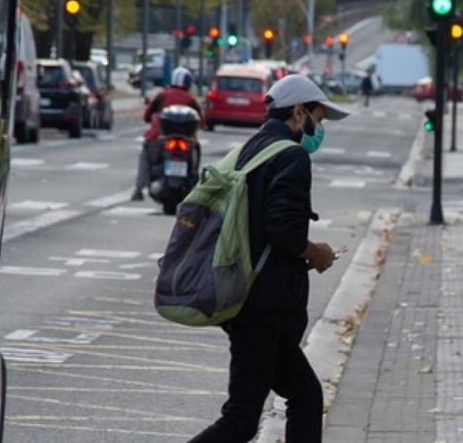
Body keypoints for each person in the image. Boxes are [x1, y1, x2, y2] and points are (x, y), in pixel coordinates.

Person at [187, 74, 350, 443]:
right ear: (298, 112)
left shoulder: (252, 147)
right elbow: (282, 231)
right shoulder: (290, 155)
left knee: (304, 395)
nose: (319, 128)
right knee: (241, 419)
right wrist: (315, 252)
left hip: (247, 297)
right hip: (264, 306)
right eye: (318, 118)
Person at [133, 67, 201, 201]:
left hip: (158, 138)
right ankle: (194, 182)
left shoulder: (163, 95)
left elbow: (147, 115)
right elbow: (201, 120)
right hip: (186, 141)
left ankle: (138, 189)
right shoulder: (190, 99)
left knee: (146, 154)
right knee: (196, 151)